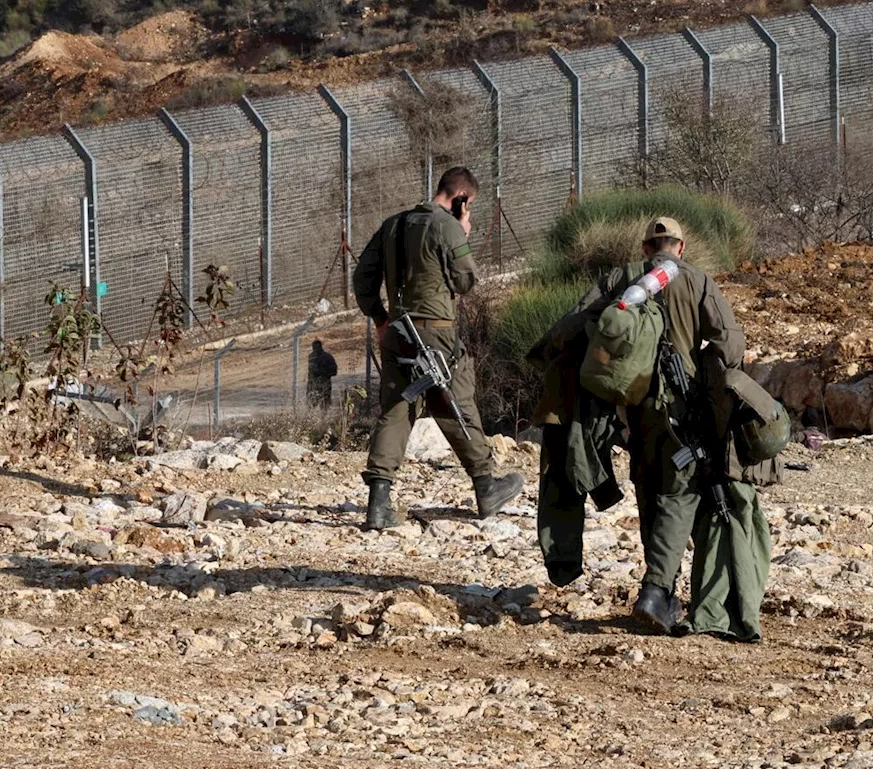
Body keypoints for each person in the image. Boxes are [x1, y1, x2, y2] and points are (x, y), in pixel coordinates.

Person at [542, 217, 746, 633]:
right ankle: (656, 590)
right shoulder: (697, 280)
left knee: (649, 484)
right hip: (681, 408)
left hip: (635, 407)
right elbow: (731, 344)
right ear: (681, 248)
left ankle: (663, 592)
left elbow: (568, 328)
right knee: (679, 491)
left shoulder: (621, 278)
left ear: (644, 248)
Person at [352, 166, 524, 531]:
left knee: (397, 408)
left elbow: (363, 277)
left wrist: (380, 317)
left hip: (399, 329)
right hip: (435, 332)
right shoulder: (446, 226)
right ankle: (485, 485)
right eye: (469, 203)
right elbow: (465, 281)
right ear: (461, 198)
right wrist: (462, 232)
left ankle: (378, 504)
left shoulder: (393, 225)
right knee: (455, 401)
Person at [306, 340, 338, 409]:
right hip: (316, 385)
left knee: (321, 406)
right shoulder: (312, 357)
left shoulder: (325, 357)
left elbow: (334, 371)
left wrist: (322, 373)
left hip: (321, 385)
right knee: (315, 406)